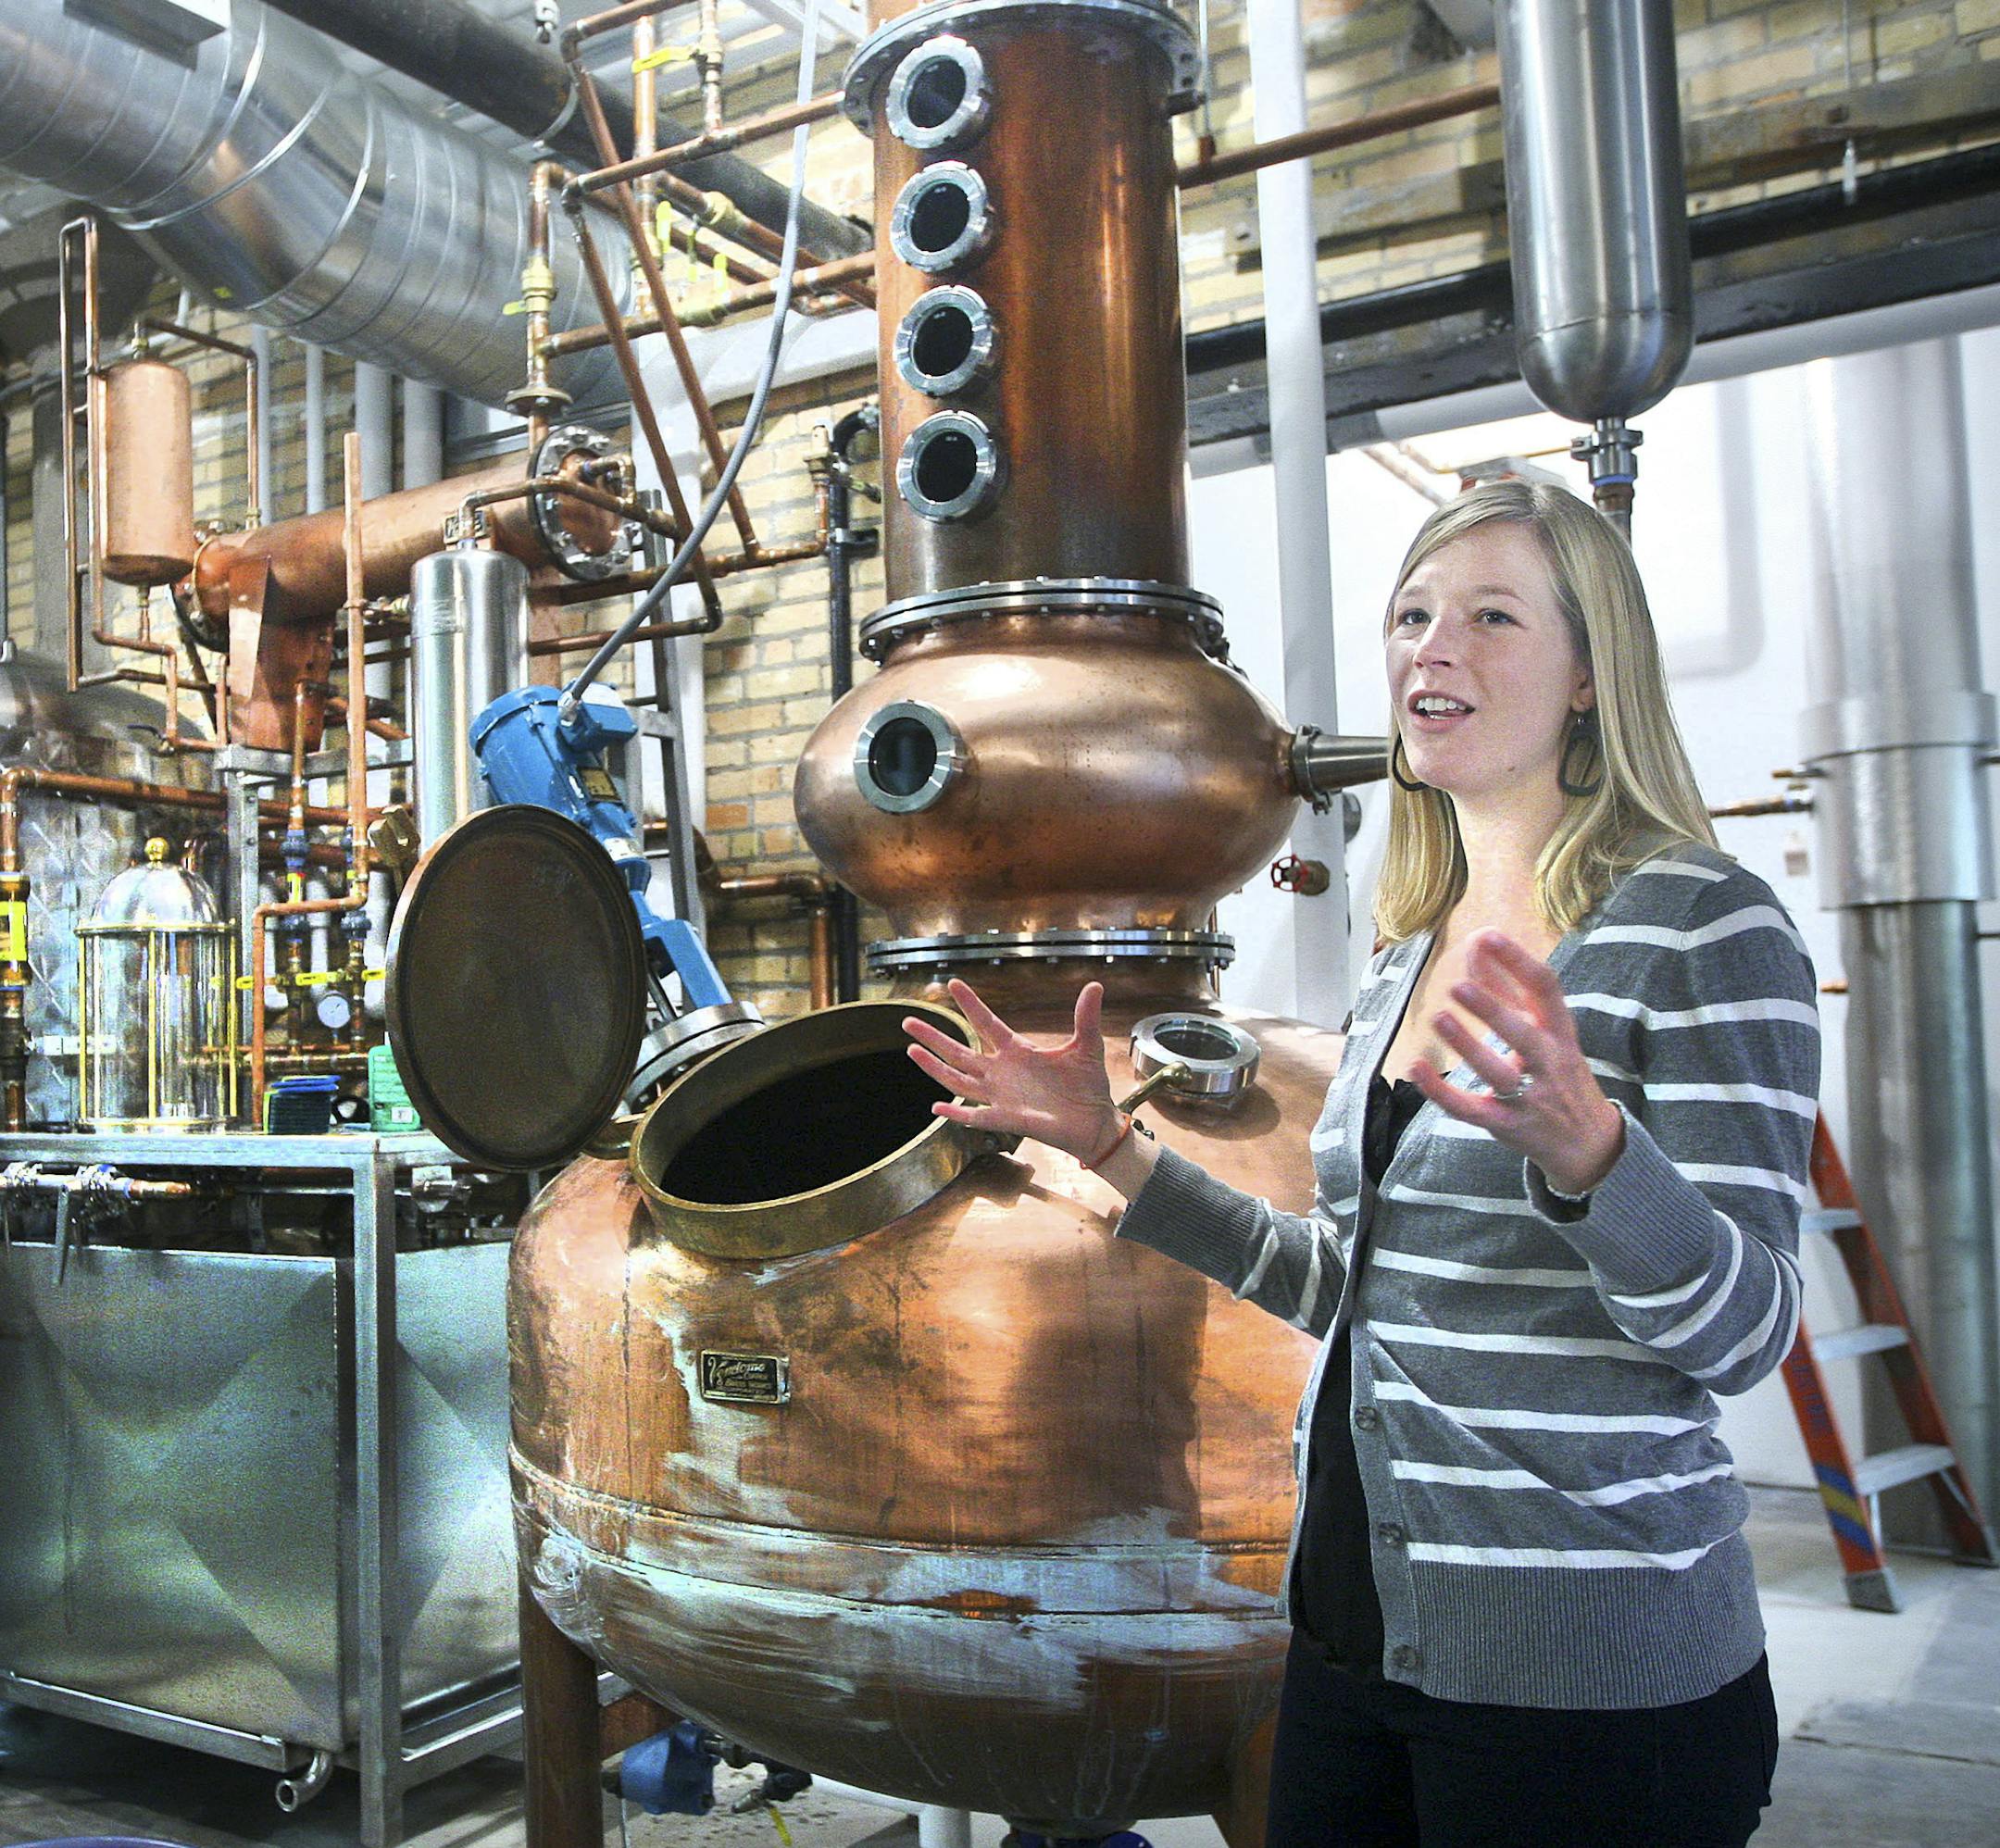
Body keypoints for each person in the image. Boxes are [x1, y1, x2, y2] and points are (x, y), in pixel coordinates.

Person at [902, 480, 1817, 1848]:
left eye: (1492, 617)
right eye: (1411, 616)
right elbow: (1349, 1287)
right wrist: (1109, 1148)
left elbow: (1745, 1333)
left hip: (1583, 1677)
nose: (1431, 649)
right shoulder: (1407, 953)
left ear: (1590, 674)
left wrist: (1597, 1158)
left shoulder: (1702, 925)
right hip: (1350, 1636)